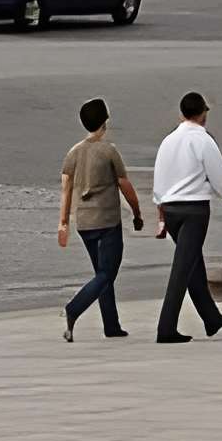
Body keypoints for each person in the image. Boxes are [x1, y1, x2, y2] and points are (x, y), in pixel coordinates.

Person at [151, 90, 222, 345]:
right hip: (193, 212)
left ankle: (211, 318)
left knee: (191, 264)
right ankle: (165, 328)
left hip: (170, 211)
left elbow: (159, 182)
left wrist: (161, 218)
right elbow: (221, 181)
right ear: (203, 114)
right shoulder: (203, 141)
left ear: (182, 113)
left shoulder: (167, 141)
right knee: (182, 270)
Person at [58, 97, 144, 340]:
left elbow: (66, 190)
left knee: (101, 272)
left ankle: (111, 325)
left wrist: (63, 223)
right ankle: (74, 308)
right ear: (105, 121)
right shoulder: (109, 151)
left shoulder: (73, 153)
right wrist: (137, 213)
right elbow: (125, 185)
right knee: (107, 272)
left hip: (84, 224)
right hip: (107, 222)